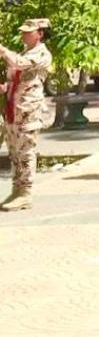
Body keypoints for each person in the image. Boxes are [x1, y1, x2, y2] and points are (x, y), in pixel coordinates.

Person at [0, 19, 53, 212]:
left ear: (40, 33)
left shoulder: (42, 53)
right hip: (13, 110)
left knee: (26, 153)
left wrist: (3, 50)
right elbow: (16, 77)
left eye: (28, 32)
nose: (23, 35)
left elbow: (19, 64)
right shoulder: (23, 52)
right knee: (14, 153)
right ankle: (16, 190)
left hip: (28, 112)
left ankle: (25, 194)